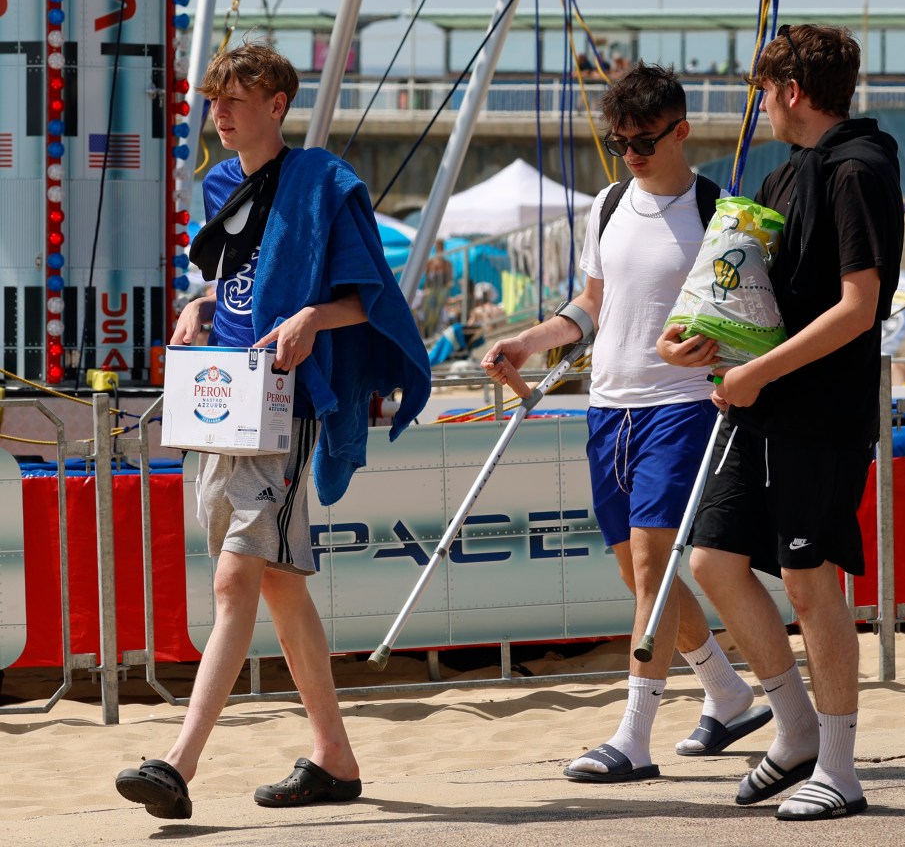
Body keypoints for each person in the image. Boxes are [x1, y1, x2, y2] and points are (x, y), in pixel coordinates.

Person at [115, 42, 430, 819]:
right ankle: (333, 757)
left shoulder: (323, 182)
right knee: (281, 585)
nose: (219, 113)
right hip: (225, 399)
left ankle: (178, 763)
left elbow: (376, 302)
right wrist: (197, 303)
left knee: (236, 579)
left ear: (278, 104)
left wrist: (312, 317)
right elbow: (232, 283)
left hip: (285, 408)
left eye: (236, 99)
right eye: (215, 100)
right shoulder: (222, 184)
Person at [483, 62, 772, 785]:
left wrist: (719, 352)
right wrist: (525, 341)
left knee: (652, 563)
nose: (631, 155)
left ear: (680, 131)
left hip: (679, 405)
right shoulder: (607, 204)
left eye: (643, 141)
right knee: (636, 572)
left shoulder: (719, 212)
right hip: (606, 405)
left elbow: (749, 325)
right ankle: (728, 694)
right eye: (620, 143)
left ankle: (633, 735)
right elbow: (588, 308)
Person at [658, 24, 904, 820]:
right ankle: (794, 728)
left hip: (818, 413)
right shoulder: (780, 178)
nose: (760, 105)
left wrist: (753, 371)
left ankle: (839, 768)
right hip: (762, 406)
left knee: (808, 581)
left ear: (790, 91)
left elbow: (860, 308)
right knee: (713, 562)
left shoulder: (857, 170)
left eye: (763, 90)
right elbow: (753, 309)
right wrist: (703, 343)